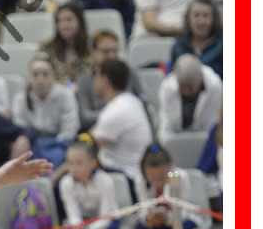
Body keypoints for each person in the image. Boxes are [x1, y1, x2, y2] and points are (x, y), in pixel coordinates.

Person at [91, 58, 153, 186]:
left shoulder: (116, 110)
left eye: (96, 76)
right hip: (130, 172)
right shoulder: (131, 101)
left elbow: (87, 147)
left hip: (125, 178)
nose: (93, 81)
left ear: (105, 80)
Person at [11, 53, 79, 168]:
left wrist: (50, 146)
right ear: (29, 78)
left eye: (45, 74)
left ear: (53, 76)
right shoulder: (20, 99)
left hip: (59, 143)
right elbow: (19, 127)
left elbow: (70, 130)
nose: (40, 79)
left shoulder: (66, 95)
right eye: (35, 75)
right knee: (20, 143)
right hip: (32, 142)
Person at [76, 30, 145, 132]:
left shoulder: (129, 73)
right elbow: (85, 117)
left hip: (129, 129)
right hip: (97, 132)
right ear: (93, 52)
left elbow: (143, 104)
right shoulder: (84, 79)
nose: (111, 56)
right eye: (106, 51)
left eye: (115, 51)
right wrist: (118, 115)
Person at [157, 55, 223, 143]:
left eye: (190, 87)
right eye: (183, 86)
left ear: (200, 79)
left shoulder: (215, 86)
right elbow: (166, 124)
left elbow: (212, 124)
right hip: (176, 136)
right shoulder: (167, 87)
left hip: (204, 135)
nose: (186, 92)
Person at [168, 0, 223, 80]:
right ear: (188, 19)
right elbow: (172, 78)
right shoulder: (179, 45)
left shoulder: (223, 44)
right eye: (196, 15)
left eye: (206, 16)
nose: (201, 21)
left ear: (214, 19)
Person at [42, 2, 91, 83]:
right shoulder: (46, 47)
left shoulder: (92, 47)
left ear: (80, 21)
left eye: (69, 20)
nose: (63, 25)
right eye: (59, 21)